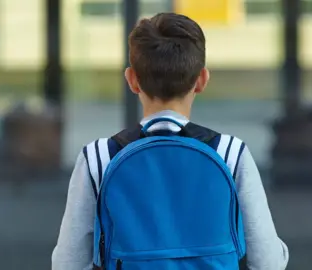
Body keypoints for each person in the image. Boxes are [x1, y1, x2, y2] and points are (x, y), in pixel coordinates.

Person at [52, 13, 289, 270]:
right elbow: (267, 262)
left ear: (132, 80)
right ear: (202, 80)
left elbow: (68, 263)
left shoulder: (99, 157)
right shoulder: (230, 154)